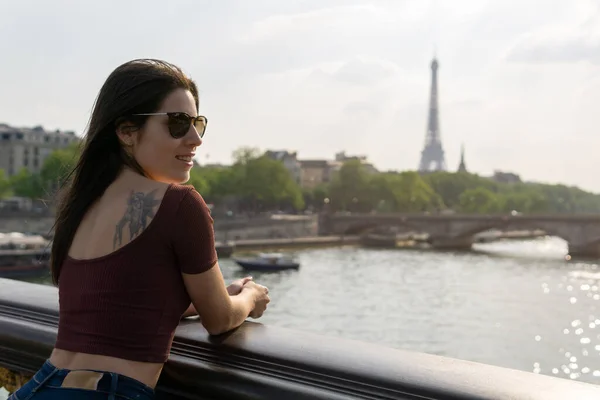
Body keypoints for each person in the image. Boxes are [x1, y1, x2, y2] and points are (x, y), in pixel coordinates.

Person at [9, 59, 270, 400]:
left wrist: (218, 292)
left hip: (42, 386)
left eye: (198, 124)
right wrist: (250, 297)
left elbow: (124, 302)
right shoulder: (180, 205)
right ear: (127, 131)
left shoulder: (82, 204)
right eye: (177, 123)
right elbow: (220, 321)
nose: (195, 139)